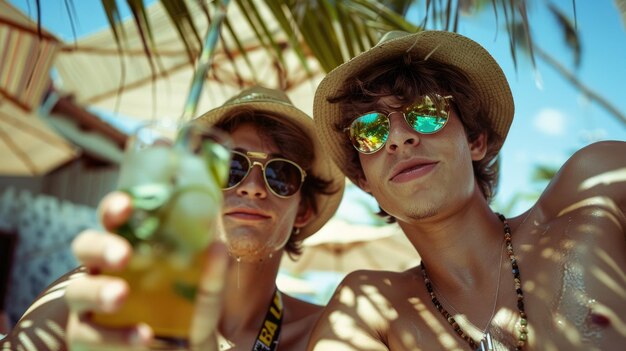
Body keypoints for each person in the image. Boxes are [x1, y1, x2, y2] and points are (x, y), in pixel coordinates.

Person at [307, 30, 626, 350]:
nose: (398, 138)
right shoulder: (370, 308)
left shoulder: (593, 191)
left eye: (426, 111)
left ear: (475, 140)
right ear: (364, 180)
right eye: (369, 130)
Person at [0, 86, 345, 350]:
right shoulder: (111, 289)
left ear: (303, 211)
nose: (253, 188)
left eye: (281, 175)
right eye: (231, 167)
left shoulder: (326, 334)